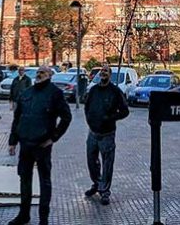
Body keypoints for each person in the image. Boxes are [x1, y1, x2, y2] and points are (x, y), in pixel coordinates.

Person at [7, 65, 72, 225]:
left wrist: (53, 137)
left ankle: (44, 218)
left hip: (42, 145)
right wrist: (12, 141)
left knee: (45, 181)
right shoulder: (27, 93)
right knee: (24, 179)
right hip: (25, 144)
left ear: (50, 75)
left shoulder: (55, 94)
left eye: (42, 72)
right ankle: (24, 215)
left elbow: (66, 117)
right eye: (37, 72)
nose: (39, 75)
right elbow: (17, 118)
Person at [83, 65, 130, 205]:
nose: (103, 73)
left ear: (110, 75)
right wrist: (90, 120)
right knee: (91, 161)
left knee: (107, 163)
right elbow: (87, 106)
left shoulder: (115, 91)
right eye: (101, 71)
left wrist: (110, 118)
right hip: (92, 132)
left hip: (107, 134)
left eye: (106, 71)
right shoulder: (93, 90)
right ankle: (97, 183)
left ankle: (105, 190)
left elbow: (125, 111)